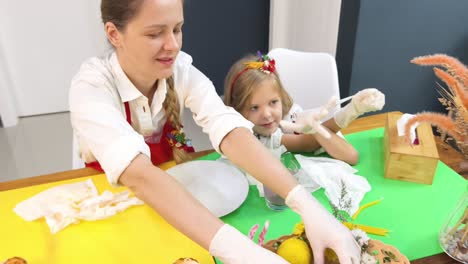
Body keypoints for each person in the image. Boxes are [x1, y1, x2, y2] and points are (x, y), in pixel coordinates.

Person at [69, 0, 361, 263]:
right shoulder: (92, 87)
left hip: (178, 205)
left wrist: (305, 203)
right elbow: (139, 175)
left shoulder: (180, 70)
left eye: (177, 29)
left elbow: (228, 128)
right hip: (112, 202)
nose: (172, 45)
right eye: (155, 33)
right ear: (114, 34)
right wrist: (239, 251)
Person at [224, 53, 385, 164]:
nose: (266, 114)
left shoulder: (289, 116)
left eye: (273, 102)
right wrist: (350, 112)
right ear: (236, 109)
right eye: (254, 107)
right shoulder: (257, 139)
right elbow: (308, 142)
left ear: (281, 97)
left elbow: (351, 156)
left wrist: (354, 108)